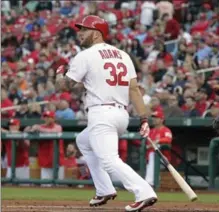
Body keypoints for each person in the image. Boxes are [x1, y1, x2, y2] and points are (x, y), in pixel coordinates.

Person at [55, 15, 157, 211]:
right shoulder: (123, 55)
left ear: (96, 33)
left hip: (102, 113)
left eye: (84, 30)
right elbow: (134, 90)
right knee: (83, 141)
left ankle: (144, 192)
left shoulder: (86, 55)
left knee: (109, 160)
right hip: (120, 115)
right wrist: (144, 118)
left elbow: (64, 86)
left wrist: (60, 72)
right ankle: (104, 189)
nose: (80, 33)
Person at [26, 111, 65, 185]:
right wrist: (29, 129)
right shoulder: (41, 126)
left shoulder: (57, 127)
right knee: (45, 186)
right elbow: (29, 134)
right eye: (45, 117)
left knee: (59, 186)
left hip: (57, 161)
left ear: (53, 118)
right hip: (45, 161)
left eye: (49, 117)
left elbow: (55, 131)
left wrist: (39, 128)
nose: (47, 119)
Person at [145, 110, 172, 186]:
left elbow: (168, 139)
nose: (154, 119)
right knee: (151, 156)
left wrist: (158, 141)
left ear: (162, 120)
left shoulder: (166, 130)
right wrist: (153, 144)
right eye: (153, 118)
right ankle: (150, 181)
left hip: (163, 158)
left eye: (156, 118)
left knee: (153, 155)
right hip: (149, 159)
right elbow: (147, 145)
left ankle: (149, 182)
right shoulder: (151, 131)